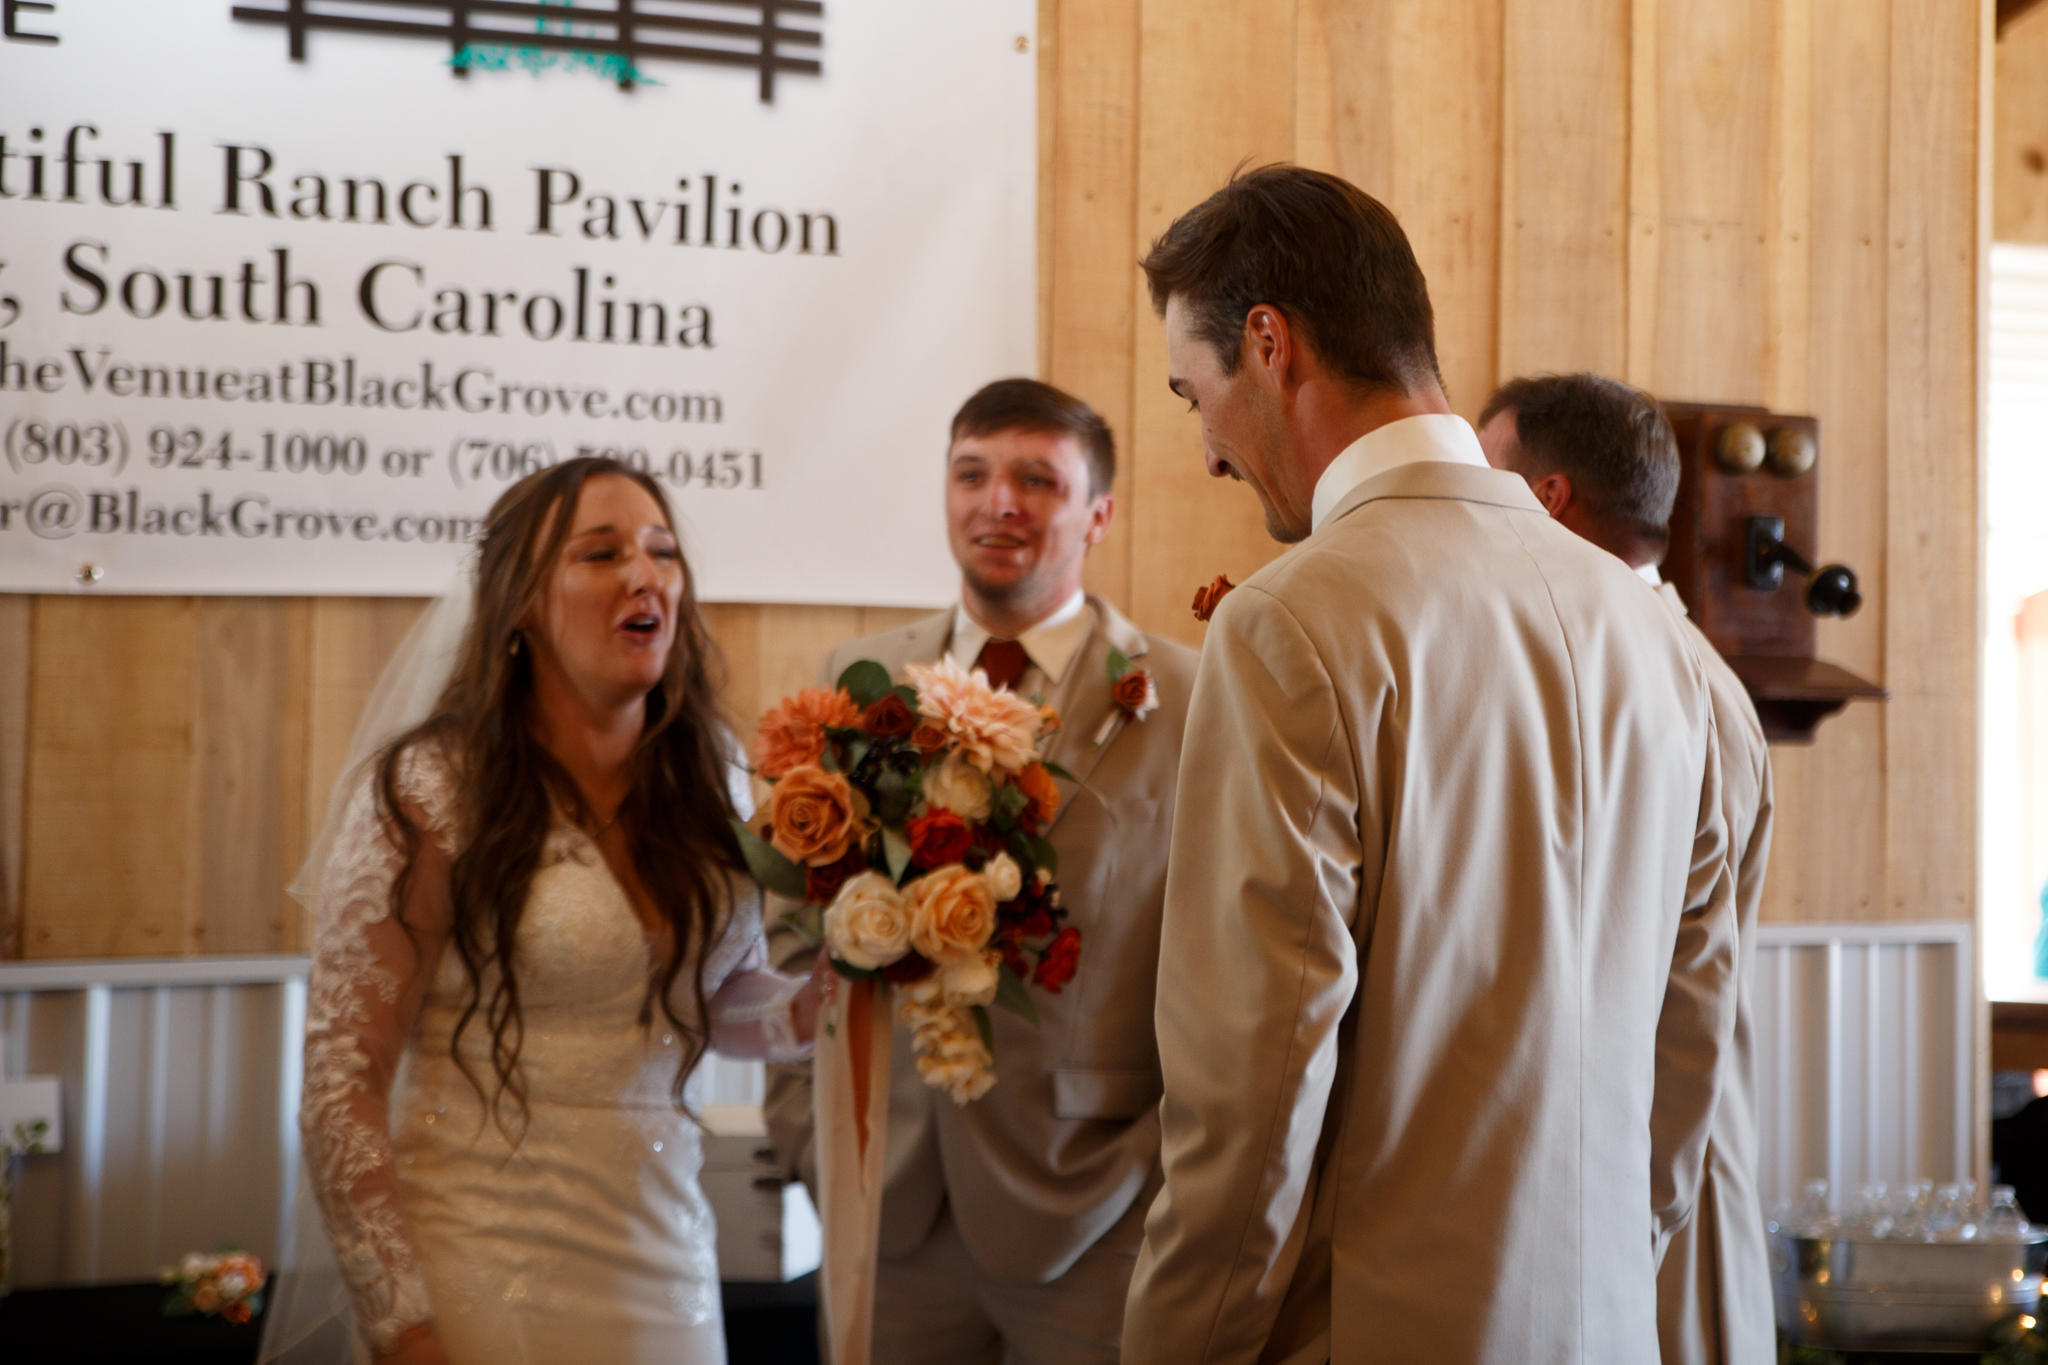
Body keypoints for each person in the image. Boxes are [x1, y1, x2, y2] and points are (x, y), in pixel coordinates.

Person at [1120, 165, 1740, 1365]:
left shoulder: (1292, 622)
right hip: (1608, 1326)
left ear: (1268, 345)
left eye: (1194, 394)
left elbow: (1251, 1090)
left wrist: (1177, 1347)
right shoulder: (1664, 643)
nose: (1206, 452)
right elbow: (1690, 1046)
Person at [289, 457, 825, 1365]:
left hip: (665, 1272)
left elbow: (709, 1000)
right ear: (521, 605)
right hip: (480, 1271)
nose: (645, 575)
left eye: (662, 551)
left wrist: (820, 1002)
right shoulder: (431, 789)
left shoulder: (713, 776)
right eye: (601, 553)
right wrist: (402, 1324)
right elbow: (342, 1081)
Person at [762, 378, 1197, 1365]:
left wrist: (1160, 1163)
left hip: (1096, 1203)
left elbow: (1218, 956)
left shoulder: (1186, 694)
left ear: (1098, 514)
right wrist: (809, 1135)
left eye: (1036, 479)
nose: (999, 502)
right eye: (972, 474)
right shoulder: (860, 680)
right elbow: (792, 924)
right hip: (886, 1198)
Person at [1479, 373, 1776, 1365]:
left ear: (1546, 498)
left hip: (1657, 1192)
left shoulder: (1679, 685)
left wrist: (1631, 1221)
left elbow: (1692, 992)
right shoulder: (1627, 662)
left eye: (1484, 478)